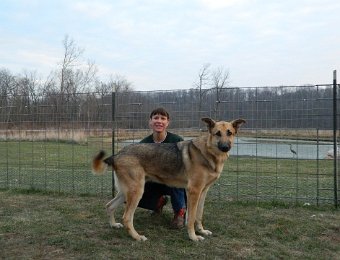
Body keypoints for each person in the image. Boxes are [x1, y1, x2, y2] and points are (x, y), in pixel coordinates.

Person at [138, 107, 187, 228]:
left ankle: (179, 213)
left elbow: (184, 165)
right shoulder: (143, 144)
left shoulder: (177, 140)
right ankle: (158, 202)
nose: (159, 121)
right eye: (155, 118)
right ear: (150, 121)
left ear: (167, 122)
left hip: (172, 181)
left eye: (163, 118)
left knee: (177, 180)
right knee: (131, 189)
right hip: (152, 179)